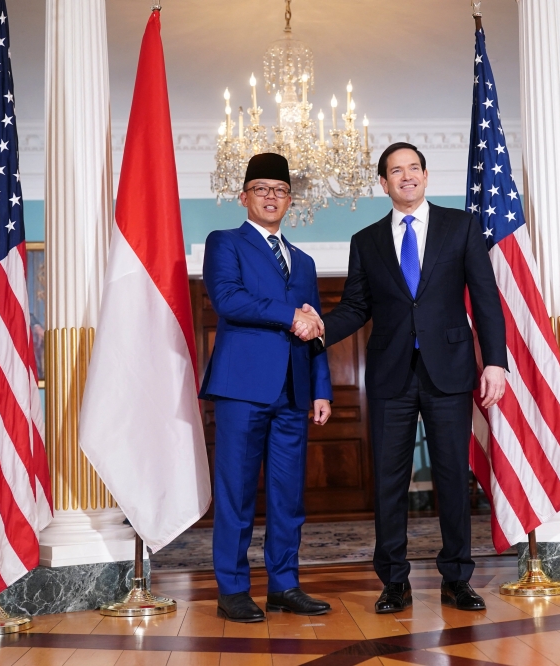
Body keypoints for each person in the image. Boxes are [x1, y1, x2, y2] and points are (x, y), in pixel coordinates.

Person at [313, 142, 508, 613]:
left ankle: (457, 578)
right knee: (389, 482)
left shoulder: (460, 227)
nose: (406, 176)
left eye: (413, 168)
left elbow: (484, 298)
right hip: (390, 377)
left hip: (451, 373)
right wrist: (319, 327)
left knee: (451, 478)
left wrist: (495, 362)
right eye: (395, 171)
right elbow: (357, 308)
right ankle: (394, 581)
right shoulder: (367, 241)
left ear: (425, 175)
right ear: (383, 183)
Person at [200, 153, 333, 622]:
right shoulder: (225, 243)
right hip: (242, 387)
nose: (271, 197)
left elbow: (314, 328)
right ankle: (232, 588)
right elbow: (228, 299)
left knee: (287, 494)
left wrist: (322, 389)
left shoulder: (306, 261)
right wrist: (288, 315)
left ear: (290, 200)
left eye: (279, 190)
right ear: (244, 197)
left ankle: (284, 585)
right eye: (261, 189)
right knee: (235, 491)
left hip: (294, 391)